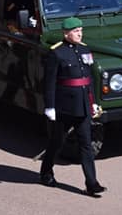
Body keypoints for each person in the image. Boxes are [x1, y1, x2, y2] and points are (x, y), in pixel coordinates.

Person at [39, 17, 105, 197]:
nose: (80, 33)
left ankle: (92, 183)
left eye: (81, 30)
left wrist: (94, 102)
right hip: (64, 107)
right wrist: (50, 107)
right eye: (76, 31)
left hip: (82, 105)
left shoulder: (84, 49)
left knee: (85, 144)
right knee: (57, 142)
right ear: (66, 33)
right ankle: (46, 172)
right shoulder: (56, 53)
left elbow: (89, 79)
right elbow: (49, 82)